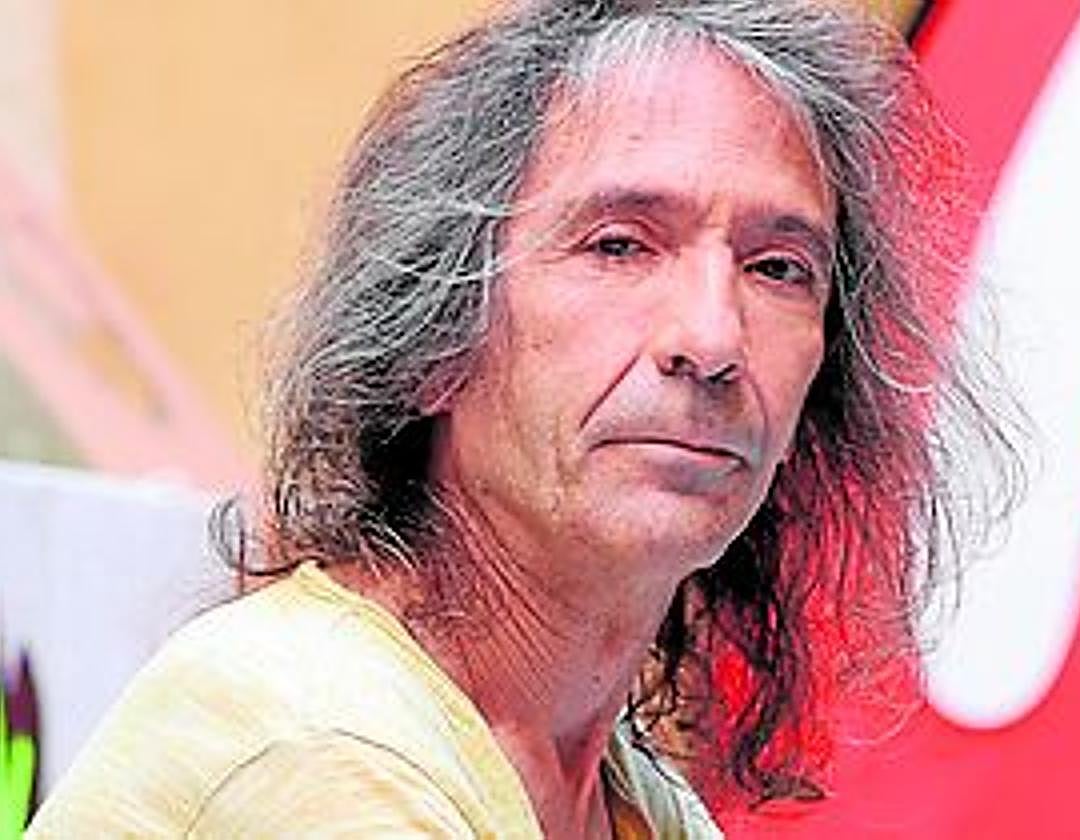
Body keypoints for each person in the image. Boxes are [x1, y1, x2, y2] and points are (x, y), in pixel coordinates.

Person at [28, 0, 1023, 837]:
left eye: (778, 268)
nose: (713, 336)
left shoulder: (630, 799)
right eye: (620, 245)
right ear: (433, 340)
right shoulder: (319, 750)